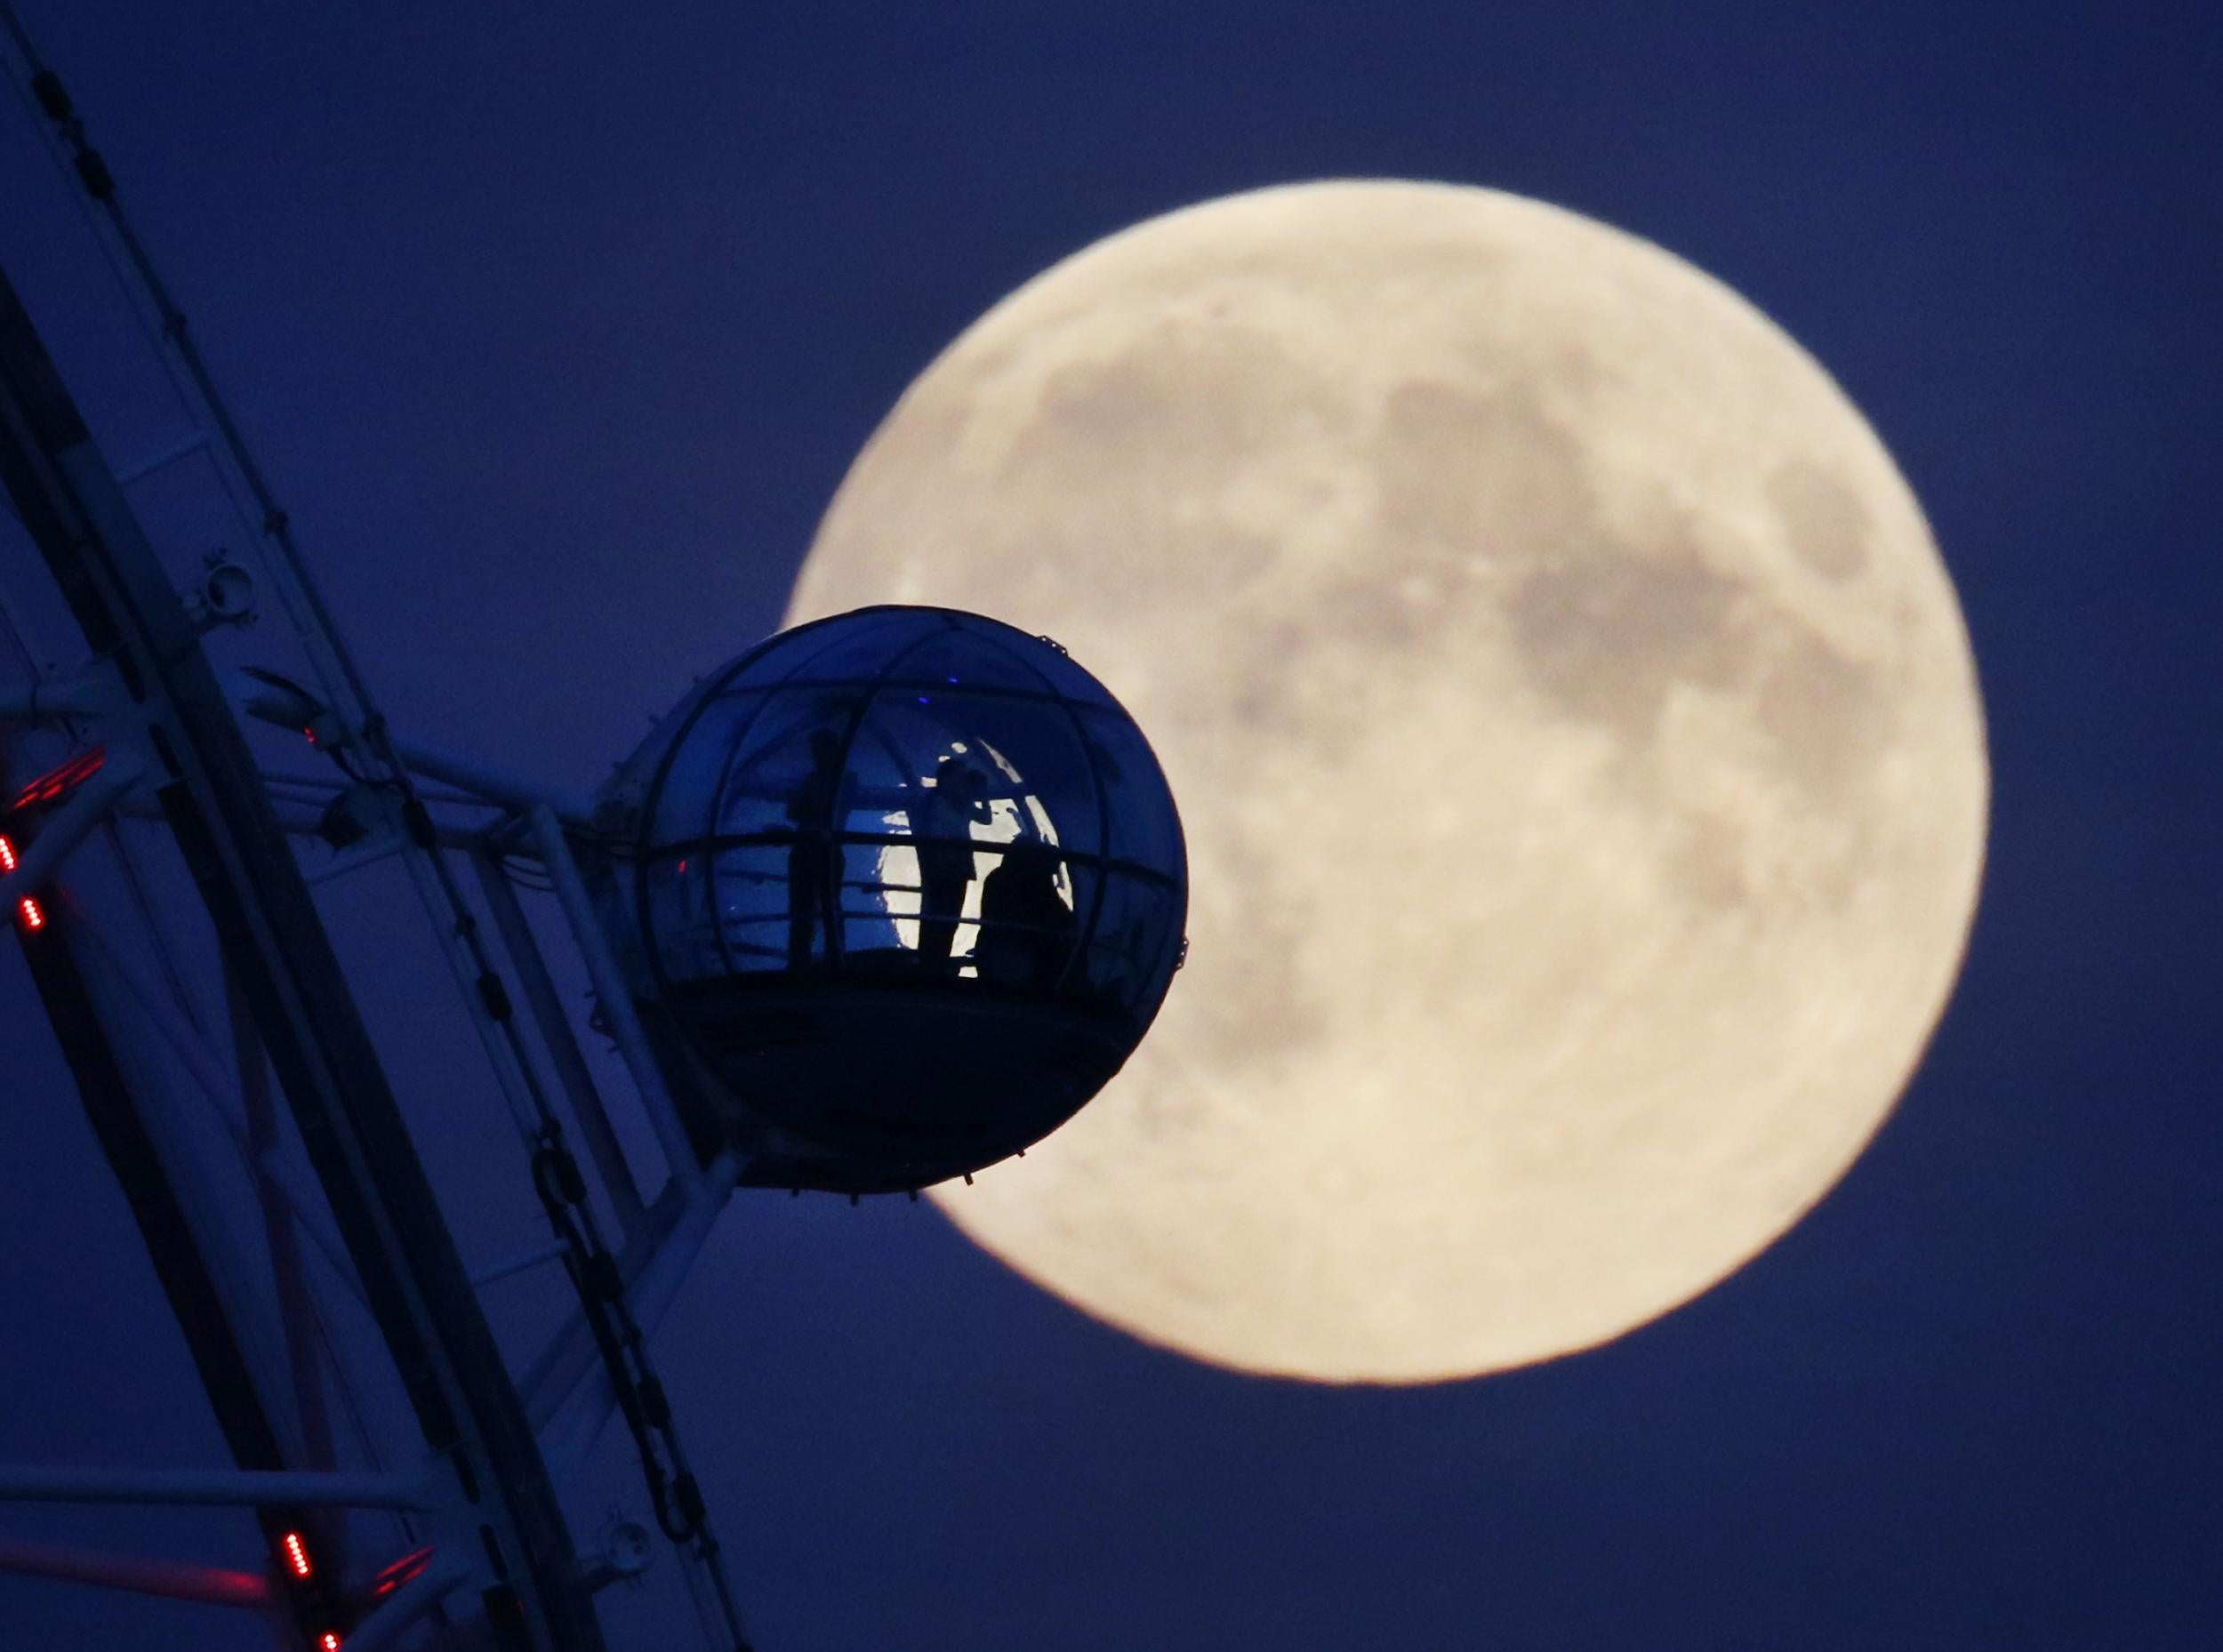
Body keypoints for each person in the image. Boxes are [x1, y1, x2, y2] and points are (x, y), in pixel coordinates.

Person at [782, 728, 851, 969]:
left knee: (809, 911)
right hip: (822, 853)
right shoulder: (845, 780)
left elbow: (795, 810)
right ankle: (831, 961)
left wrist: (802, 803)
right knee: (823, 909)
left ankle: (803, 963)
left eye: (820, 751)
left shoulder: (828, 780)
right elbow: (799, 810)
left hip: (812, 852)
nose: (817, 756)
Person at [914, 756, 990, 972]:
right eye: (959, 775)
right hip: (941, 869)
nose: (963, 780)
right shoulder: (935, 801)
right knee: (937, 918)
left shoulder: (956, 800)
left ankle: (936, 961)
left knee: (949, 919)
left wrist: (982, 797)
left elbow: (986, 818)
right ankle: (930, 963)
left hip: (955, 869)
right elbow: (955, 824)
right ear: (946, 778)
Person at [975, 839, 1078, 988]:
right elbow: (1060, 917)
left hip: (989, 953)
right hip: (1022, 955)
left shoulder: (996, 877)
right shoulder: (1036, 883)